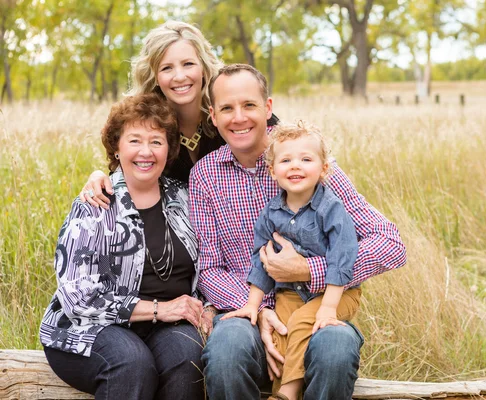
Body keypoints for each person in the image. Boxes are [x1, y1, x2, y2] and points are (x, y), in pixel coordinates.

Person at [189, 63, 407, 400]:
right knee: (227, 350)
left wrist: (308, 270)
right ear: (213, 117)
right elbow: (209, 269)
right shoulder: (205, 175)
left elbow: (390, 244)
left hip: (317, 301)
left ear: (268, 108)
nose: (239, 117)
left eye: (249, 105)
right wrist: (259, 309)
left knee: (335, 348)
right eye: (227, 108)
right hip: (247, 309)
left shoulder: (308, 163)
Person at [39, 93, 211, 400]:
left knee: (189, 356)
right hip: (92, 328)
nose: (146, 151)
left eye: (156, 141)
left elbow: (211, 261)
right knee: (131, 362)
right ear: (116, 148)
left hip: (167, 327)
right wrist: (160, 309)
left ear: (169, 149)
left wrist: (205, 309)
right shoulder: (95, 203)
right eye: (134, 140)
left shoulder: (185, 197)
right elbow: (77, 296)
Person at [221, 121, 362, 400]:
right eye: (286, 160)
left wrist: (328, 308)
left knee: (300, 324)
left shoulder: (330, 208)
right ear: (273, 171)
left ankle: (287, 392)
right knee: (280, 333)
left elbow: (342, 257)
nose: (295, 166)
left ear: (323, 169)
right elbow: (261, 260)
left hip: (337, 293)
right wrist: (252, 305)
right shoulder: (271, 213)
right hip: (290, 294)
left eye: (306, 159)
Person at [78, 20, 278, 207]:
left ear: (203, 67)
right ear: (155, 76)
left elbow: (291, 149)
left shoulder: (230, 112)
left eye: (188, 64)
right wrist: (99, 175)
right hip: (180, 232)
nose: (180, 76)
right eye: (167, 68)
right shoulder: (148, 122)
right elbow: (129, 166)